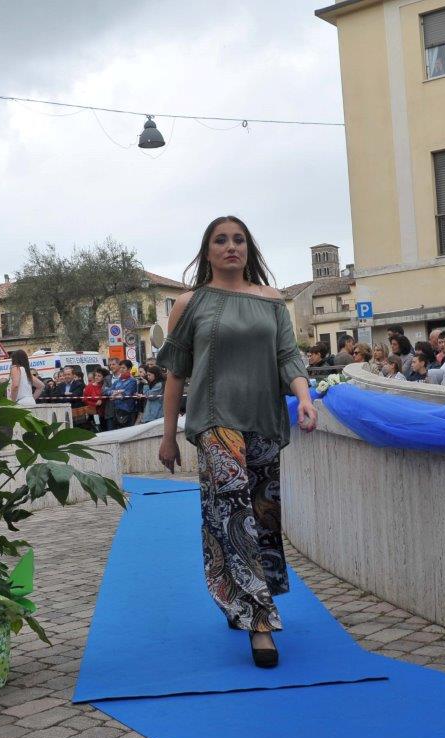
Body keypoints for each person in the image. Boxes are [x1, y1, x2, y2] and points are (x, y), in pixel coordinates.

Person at [157, 215, 315, 669]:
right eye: (221, 240)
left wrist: (304, 398)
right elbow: (176, 374)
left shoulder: (271, 300)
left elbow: (288, 357)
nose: (231, 246)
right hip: (215, 420)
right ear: (207, 252)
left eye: (239, 239)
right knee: (234, 514)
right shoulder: (190, 303)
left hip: (263, 419)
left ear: (249, 248)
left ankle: (238, 592)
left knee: (262, 514)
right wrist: (168, 437)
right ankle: (259, 624)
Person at [108, 360, 140, 429]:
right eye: (120, 368)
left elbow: (127, 393)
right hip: (117, 409)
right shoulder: (118, 381)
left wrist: (115, 394)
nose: (121, 370)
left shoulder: (132, 381)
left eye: (123, 368)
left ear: (129, 369)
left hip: (128, 410)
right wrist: (117, 392)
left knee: (128, 430)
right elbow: (108, 391)